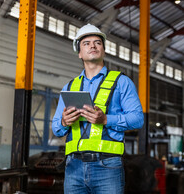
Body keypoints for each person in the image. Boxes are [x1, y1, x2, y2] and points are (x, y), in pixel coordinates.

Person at [52, 24, 144, 194]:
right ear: (79, 52)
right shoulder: (70, 86)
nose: (92, 46)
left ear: (103, 50)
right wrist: (65, 121)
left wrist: (106, 119)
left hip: (107, 166)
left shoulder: (122, 82)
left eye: (97, 42)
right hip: (73, 168)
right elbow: (57, 128)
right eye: (86, 43)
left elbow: (138, 119)